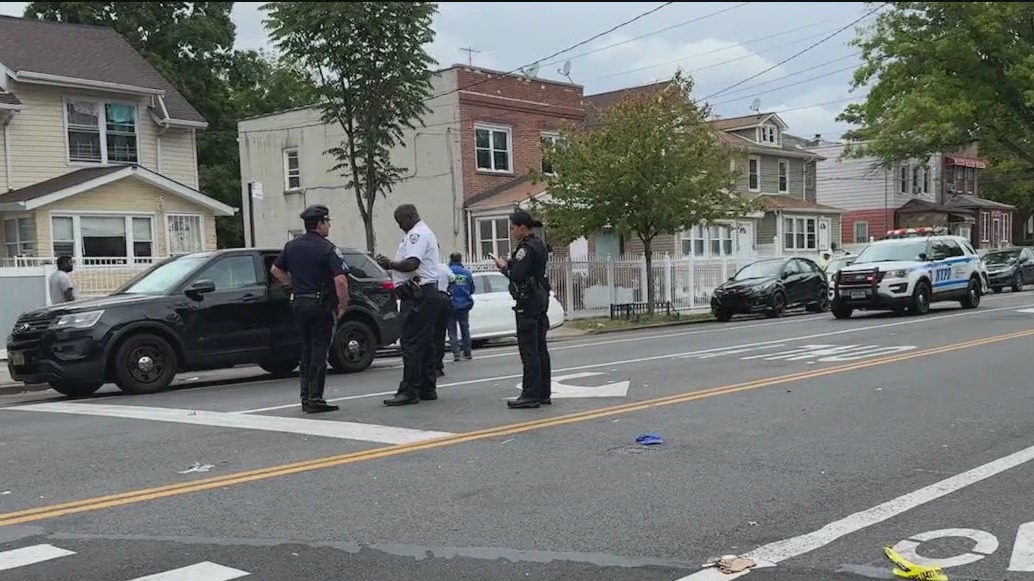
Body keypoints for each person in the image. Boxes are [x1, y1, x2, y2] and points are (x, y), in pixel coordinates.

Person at [270, 204, 350, 414]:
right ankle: (316, 397)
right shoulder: (327, 248)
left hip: (299, 302)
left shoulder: (291, 246)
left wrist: (291, 284)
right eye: (327, 222)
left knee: (305, 349)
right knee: (319, 349)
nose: (329, 227)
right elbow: (340, 279)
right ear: (320, 224)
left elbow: (275, 269)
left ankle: (305, 397)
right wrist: (343, 304)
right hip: (320, 304)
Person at [375, 204, 441, 406]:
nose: (400, 226)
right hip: (426, 293)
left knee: (411, 342)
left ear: (410, 217)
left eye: (400, 221)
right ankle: (427, 387)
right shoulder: (421, 233)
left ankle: (409, 390)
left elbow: (412, 263)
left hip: (418, 294)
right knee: (425, 342)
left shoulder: (417, 235)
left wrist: (390, 264)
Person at [494, 209, 552, 409]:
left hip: (528, 301)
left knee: (529, 350)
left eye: (513, 228)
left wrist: (504, 267)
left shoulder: (525, 248)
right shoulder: (540, 245)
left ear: (521, 227)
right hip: (540, 298)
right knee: (540, 348)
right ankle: (544, 392)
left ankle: (530, 394)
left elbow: (517, 274)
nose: (512, 232)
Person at [447, 252, 475, 361]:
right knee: (465, 329)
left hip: (451, 303)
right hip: (464, 304)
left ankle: (456, 354)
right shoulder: (466, 273)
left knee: (452, 330)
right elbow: (472, 289)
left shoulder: (448, 272)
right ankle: (467, 352)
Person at [434, 253, 456, 376]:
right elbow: (453, 278)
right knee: (440, 334)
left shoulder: (424, 267)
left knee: (429, 334)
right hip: (443, 299)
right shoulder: (442, 267)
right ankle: (438, 364)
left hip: (429, 300)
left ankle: (431, 364)